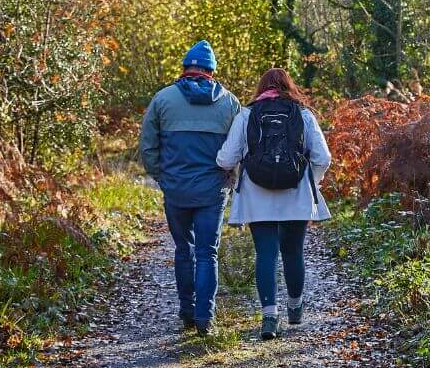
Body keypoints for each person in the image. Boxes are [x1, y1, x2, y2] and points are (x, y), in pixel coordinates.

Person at [216, 67, 333, 341]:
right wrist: (311, 181)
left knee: (265, 254)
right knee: (294, 252)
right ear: (289, 87)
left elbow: (225, 159)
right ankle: (295, 309)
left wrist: (234, 173)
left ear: (261, 88)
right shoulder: (303, 115)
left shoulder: (247, 115)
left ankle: (270, 316)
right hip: (296, 193)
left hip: (258, 195)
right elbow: (323, 157)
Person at [140, 40, 241, 336]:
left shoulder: (162, 99)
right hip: (212, 191)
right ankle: (204, 319)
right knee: (208, 252)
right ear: (211, 71)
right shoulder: (229, 102)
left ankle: (186, 310)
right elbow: (238, 148)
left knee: (184, 250)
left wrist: (164, 177)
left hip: (176, 190)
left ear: (185, 68)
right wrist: (230, 178)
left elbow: (148, 148)